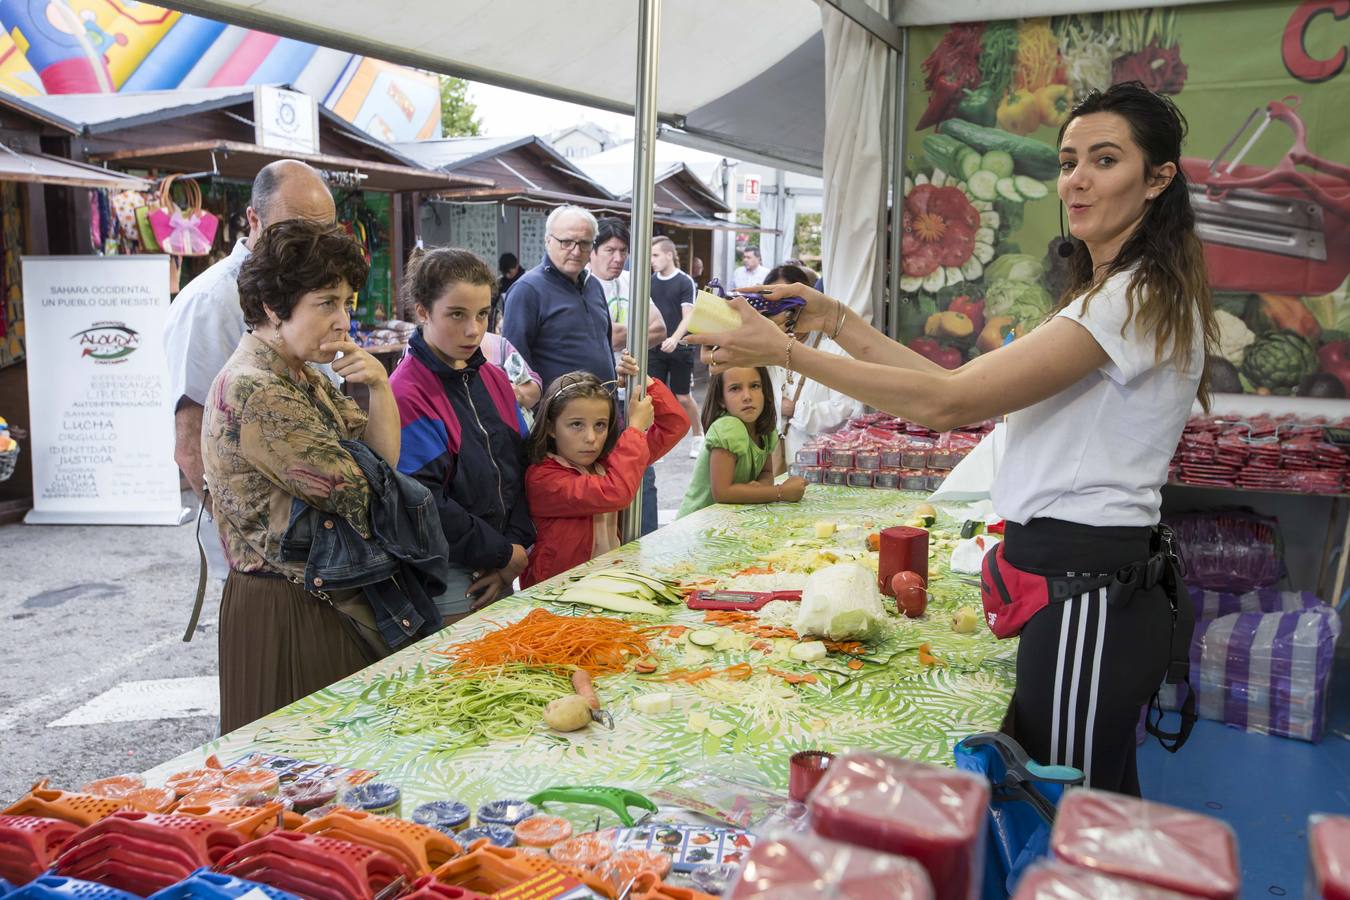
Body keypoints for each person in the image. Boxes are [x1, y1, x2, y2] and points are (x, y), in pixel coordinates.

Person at [687, 82, 1216, 794]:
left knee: (1065, 810)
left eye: (1105, 160)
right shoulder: (1110, 292)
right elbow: (961, 392)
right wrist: (835, 320)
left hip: (1092, 587)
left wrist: (782, 353)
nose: (1077, 180)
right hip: (1076, 581)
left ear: (1157, 179)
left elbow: (947, 402)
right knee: (1087, 804)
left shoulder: (1132, 296)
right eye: (1067, 161)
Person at [202, 220, 405, 733]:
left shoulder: (301, 372)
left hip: (319, 589)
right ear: (273, 307)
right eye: (327, 303)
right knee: (302, 775)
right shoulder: (258, 388)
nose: (344, 321)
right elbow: (363, 491)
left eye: (346, 302)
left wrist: (380, 385)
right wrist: (371, 470)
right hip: (289, 602)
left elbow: (384, 464)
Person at [164, 160, 335, 582]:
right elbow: (189, 448)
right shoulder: (210, 302)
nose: (313, 244)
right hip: (263, 559)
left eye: (324, 232)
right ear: (254, 219)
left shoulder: (309, 291)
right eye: (296, 229)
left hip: (322, 540)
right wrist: (249, 545)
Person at [389, 247, 534, 624]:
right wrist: (502, 554)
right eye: (457, 314)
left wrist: (515, 549)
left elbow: (523, 465)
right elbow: (424, 501)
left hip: (505, 560)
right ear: (422, 310)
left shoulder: (495, 378)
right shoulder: (406, 392)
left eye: (483, 314)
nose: (473, 330)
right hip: (450, 579)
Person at [520, 366, 688, 587]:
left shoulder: (609, 462)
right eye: (576, 425)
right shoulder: (543, 477)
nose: (591, 438)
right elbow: (615, 492)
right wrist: (636, 429)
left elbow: (675, 425)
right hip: (557, 592)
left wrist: (643, 382)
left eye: (600, 425)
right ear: (551, 427)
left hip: (606, 582)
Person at [590, 216, 665, 536]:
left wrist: (624, 335)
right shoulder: (585, 285)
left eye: (623, 251)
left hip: (632, 394)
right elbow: (594, 338)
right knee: (603, 476)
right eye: (609, 250)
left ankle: (644, 541)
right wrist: (613, 335)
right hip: (597, 398)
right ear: (593, 252)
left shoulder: (632, 282)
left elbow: (659, 328)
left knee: (642, 472)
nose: (618, 258)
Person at [501, 205, 616, 392]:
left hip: (602, 408)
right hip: (556, 414)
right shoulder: (527, 290)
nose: (576, 251)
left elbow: (606, 347)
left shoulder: (593, 285)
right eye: (567, 242)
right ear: (548, 240)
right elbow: (514, 362)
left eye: (585, 243)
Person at [677, 366, 806, 518]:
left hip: (729, 520)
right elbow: (722, 492)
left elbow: (766, 472)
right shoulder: (728, 428)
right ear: (721, 400)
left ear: (765, 392)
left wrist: (760, 488)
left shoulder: (765, 430)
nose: (747, 396)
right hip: (698, 524)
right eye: (735, 388)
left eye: (755, 386)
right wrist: (780, 492)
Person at [649, 236, 705, 458]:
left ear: (669, 255)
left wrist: (674, 338)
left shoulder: (684, 281)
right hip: (654, 349)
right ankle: (655, 445)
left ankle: (698, 435)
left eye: (655, 255)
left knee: (682, 396)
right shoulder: (650, 281)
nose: (652, 260)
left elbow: (688, 317)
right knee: (654, 397)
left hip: (680, 347)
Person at [494, 252, 524, 331]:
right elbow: (492, 302)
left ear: (517, 266)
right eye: (504, 273)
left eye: (509, 272)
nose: (507, 275)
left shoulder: (527, 279)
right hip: (507, 321)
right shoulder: (500, 282)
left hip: (525, 319)